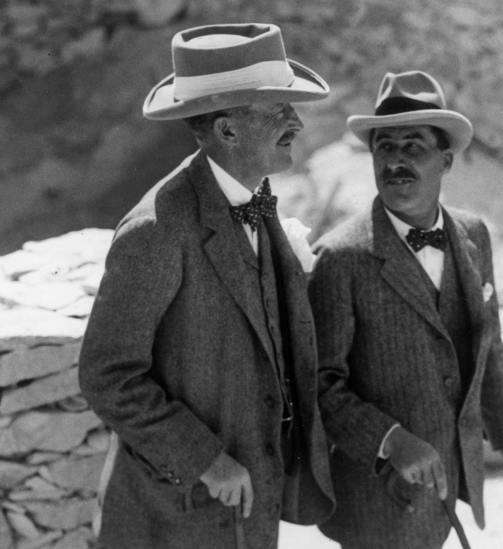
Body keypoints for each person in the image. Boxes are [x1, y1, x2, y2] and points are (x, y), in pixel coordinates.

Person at [78, 23, 334, 549]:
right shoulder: (157, 229)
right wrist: (206, 461)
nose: (297, 121)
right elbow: (108, 375)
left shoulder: (256, 200)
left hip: (248, 514)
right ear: (227, 129)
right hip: (176, 516)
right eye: (277, 108)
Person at [307, 70, 503, 549]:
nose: (396, 161)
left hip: (451, 481)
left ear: (446, 160)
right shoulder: (340, 257)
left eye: (413, 146)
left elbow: (488, 353)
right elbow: (319, 385)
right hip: (377, 499)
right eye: (384, 147)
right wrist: (391, 440)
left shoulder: (473, 235)